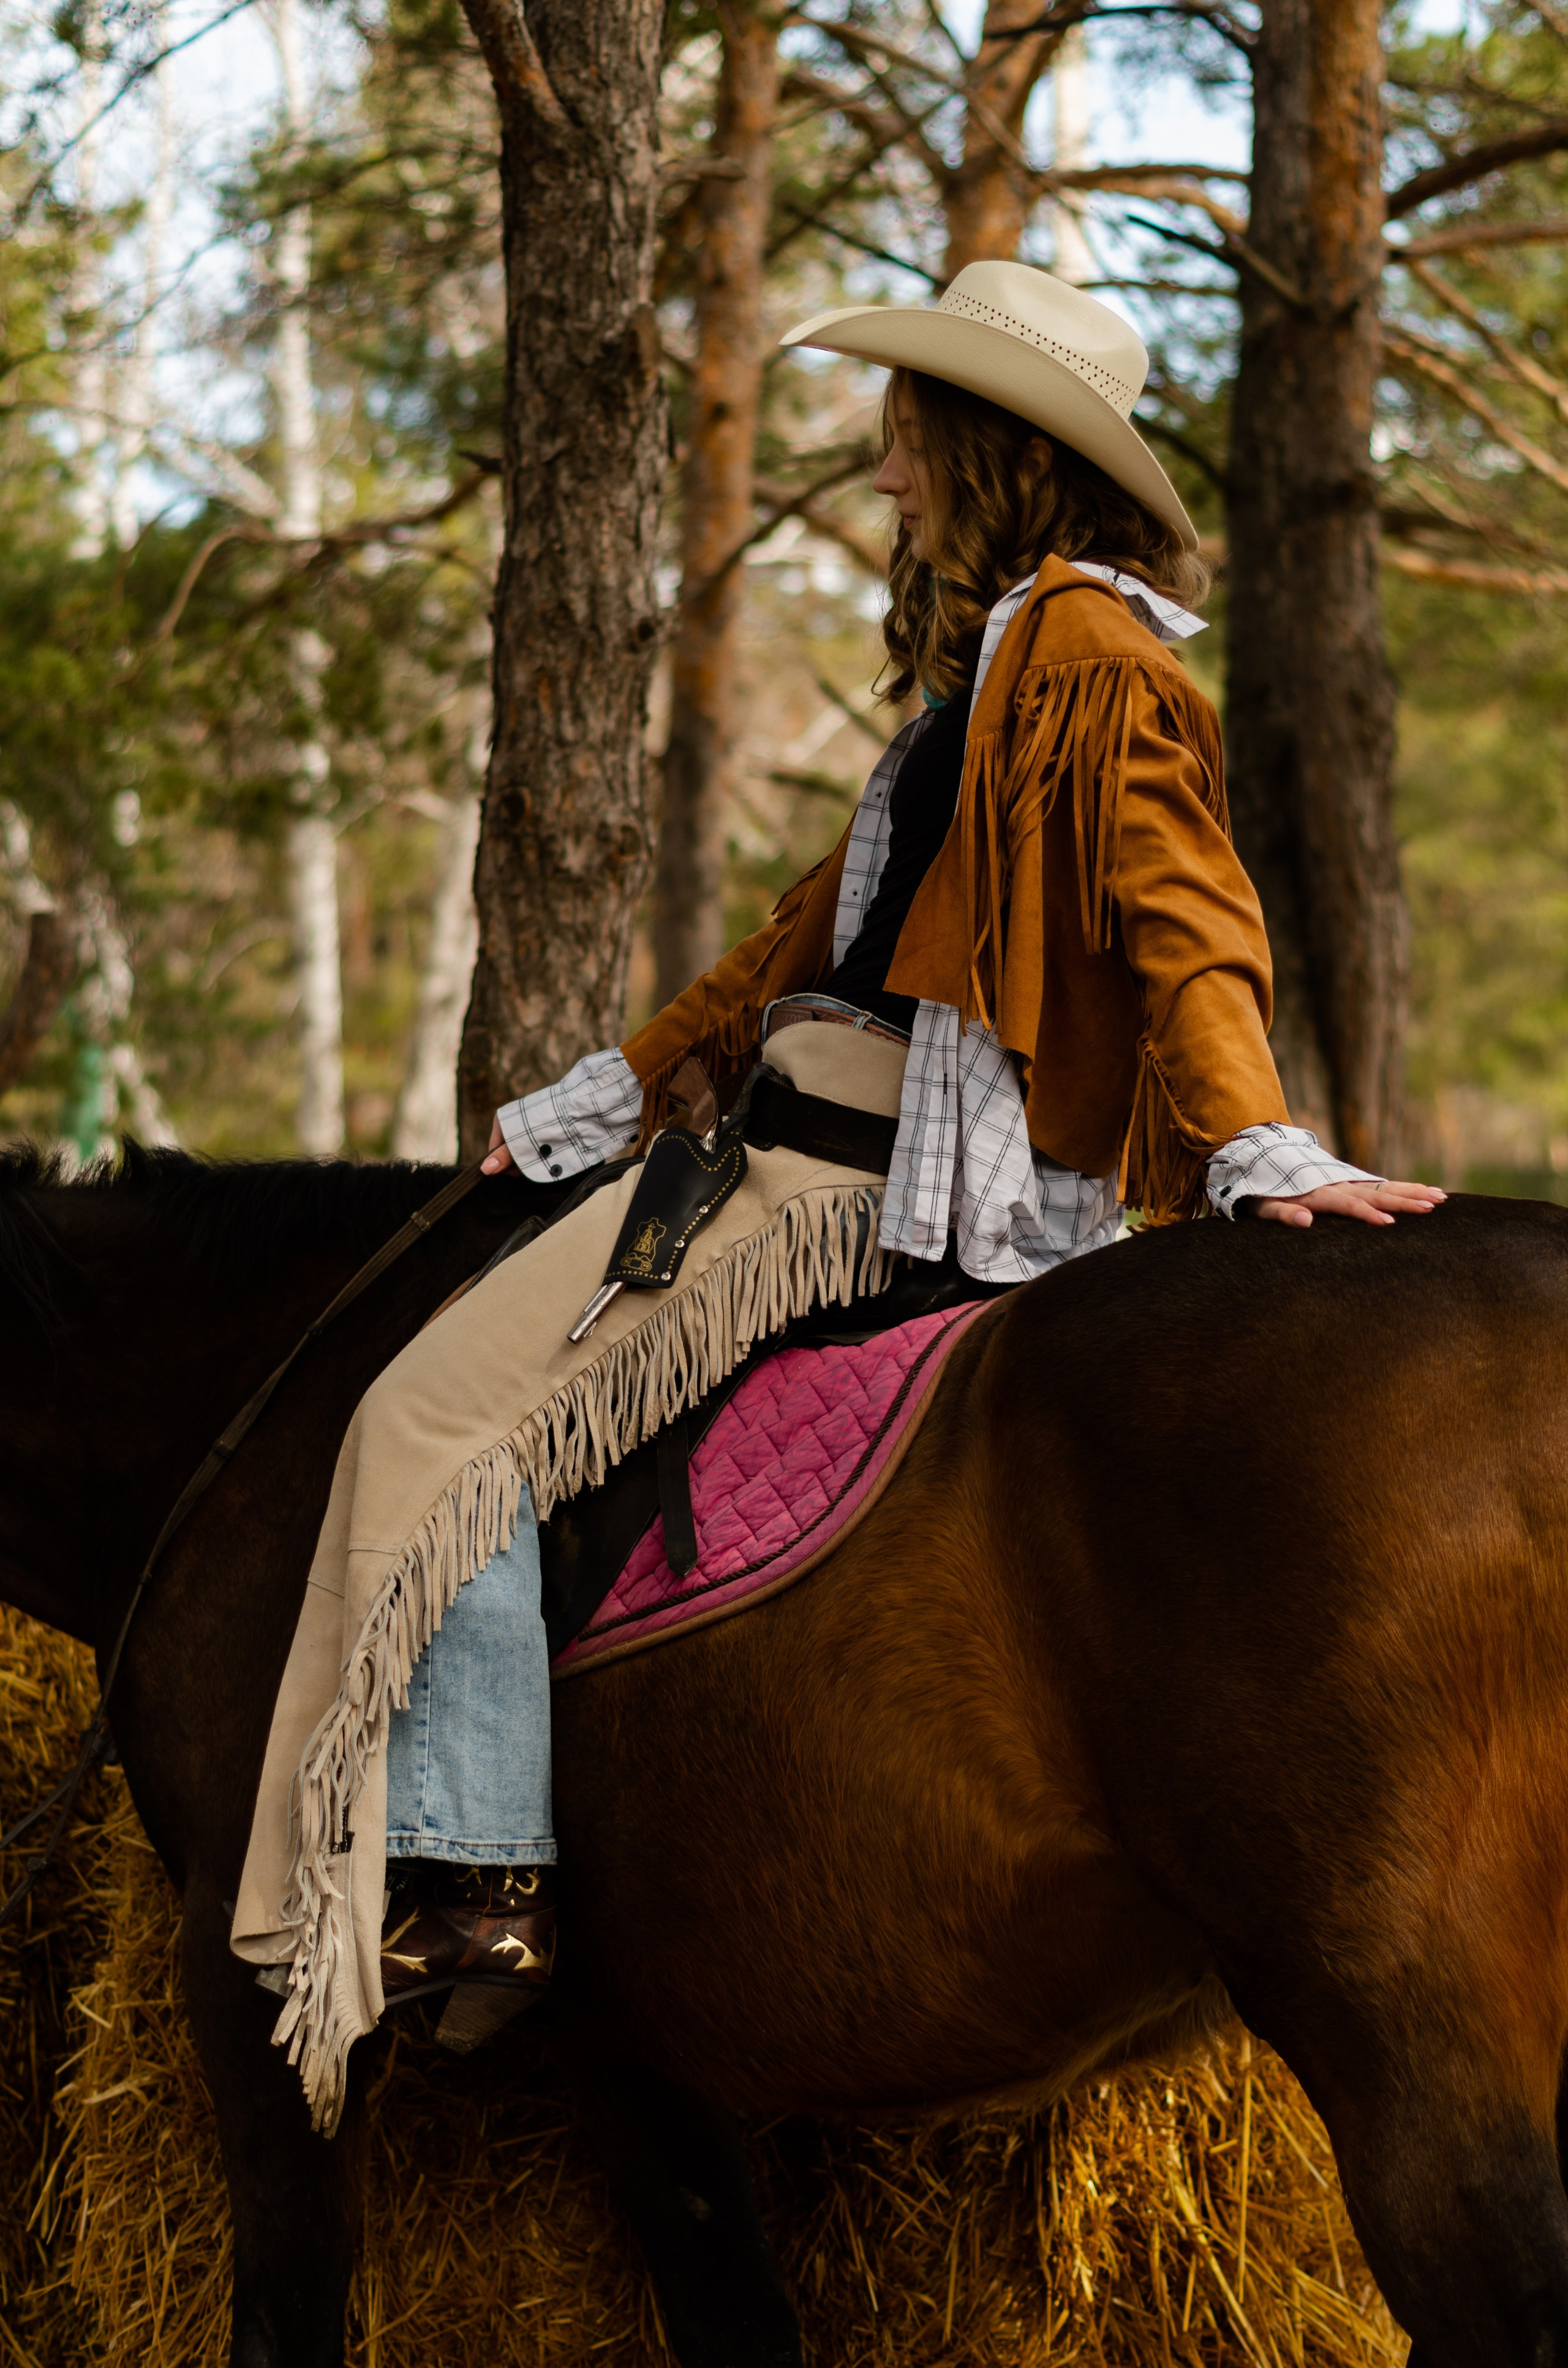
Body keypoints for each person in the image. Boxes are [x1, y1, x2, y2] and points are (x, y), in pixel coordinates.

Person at [232, 260, 1441, 2126]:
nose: (883, 467)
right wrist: (594, 1102)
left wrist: (1255, 1138)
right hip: (797, 1126)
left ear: (984, 444)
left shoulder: (1093, 663)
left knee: (420, 1418)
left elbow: (1187, 909)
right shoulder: (991, 679)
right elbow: (800, 946)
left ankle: (471, 1881)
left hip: (837, 1182)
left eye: (904, 424)